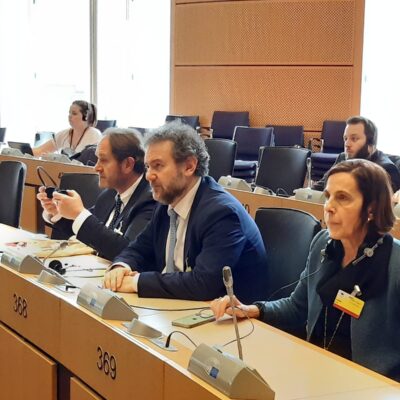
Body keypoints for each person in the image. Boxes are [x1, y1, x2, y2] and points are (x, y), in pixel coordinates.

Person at [211, 159, 400, 382]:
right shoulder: (323, 244)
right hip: (315, 368)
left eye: (342, 198)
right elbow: (297, 307)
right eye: (328, 196)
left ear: (372, 209)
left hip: (370, 384)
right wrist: (252, 310)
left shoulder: (394, 262)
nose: (328, 207)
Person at [103, 121, 268, 302]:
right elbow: (139, 248)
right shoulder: (167, 201)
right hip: (181, 306)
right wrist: (121, 267)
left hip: (225, 314)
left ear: (189, 166)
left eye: (158, 166)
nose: (149, 175)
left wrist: (136, 282)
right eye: (148, 167)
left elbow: (204, 284)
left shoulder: (221, 213)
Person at [37, 128, 156, 260]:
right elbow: (87, 230)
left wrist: (79, 214)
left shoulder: (150, 201)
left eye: (103, 160)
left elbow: (128, 251)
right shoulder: (110, 194)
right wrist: (58, 211)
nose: (96, 167)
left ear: (128, 164)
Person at [312, 116, 400, 192]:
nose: (347, 144)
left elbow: (383, 204)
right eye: (345, 139)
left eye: (354, 139)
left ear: (371, 144)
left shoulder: (386, 169)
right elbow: (320, 186)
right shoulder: (343, 157)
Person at [33, 100, 102, 157]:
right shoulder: (64, 134)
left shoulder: (94, 135)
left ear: (85, 117)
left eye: (74, 113)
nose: (69, 116)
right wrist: (27, 151)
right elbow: (40, 150)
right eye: (69, 113)